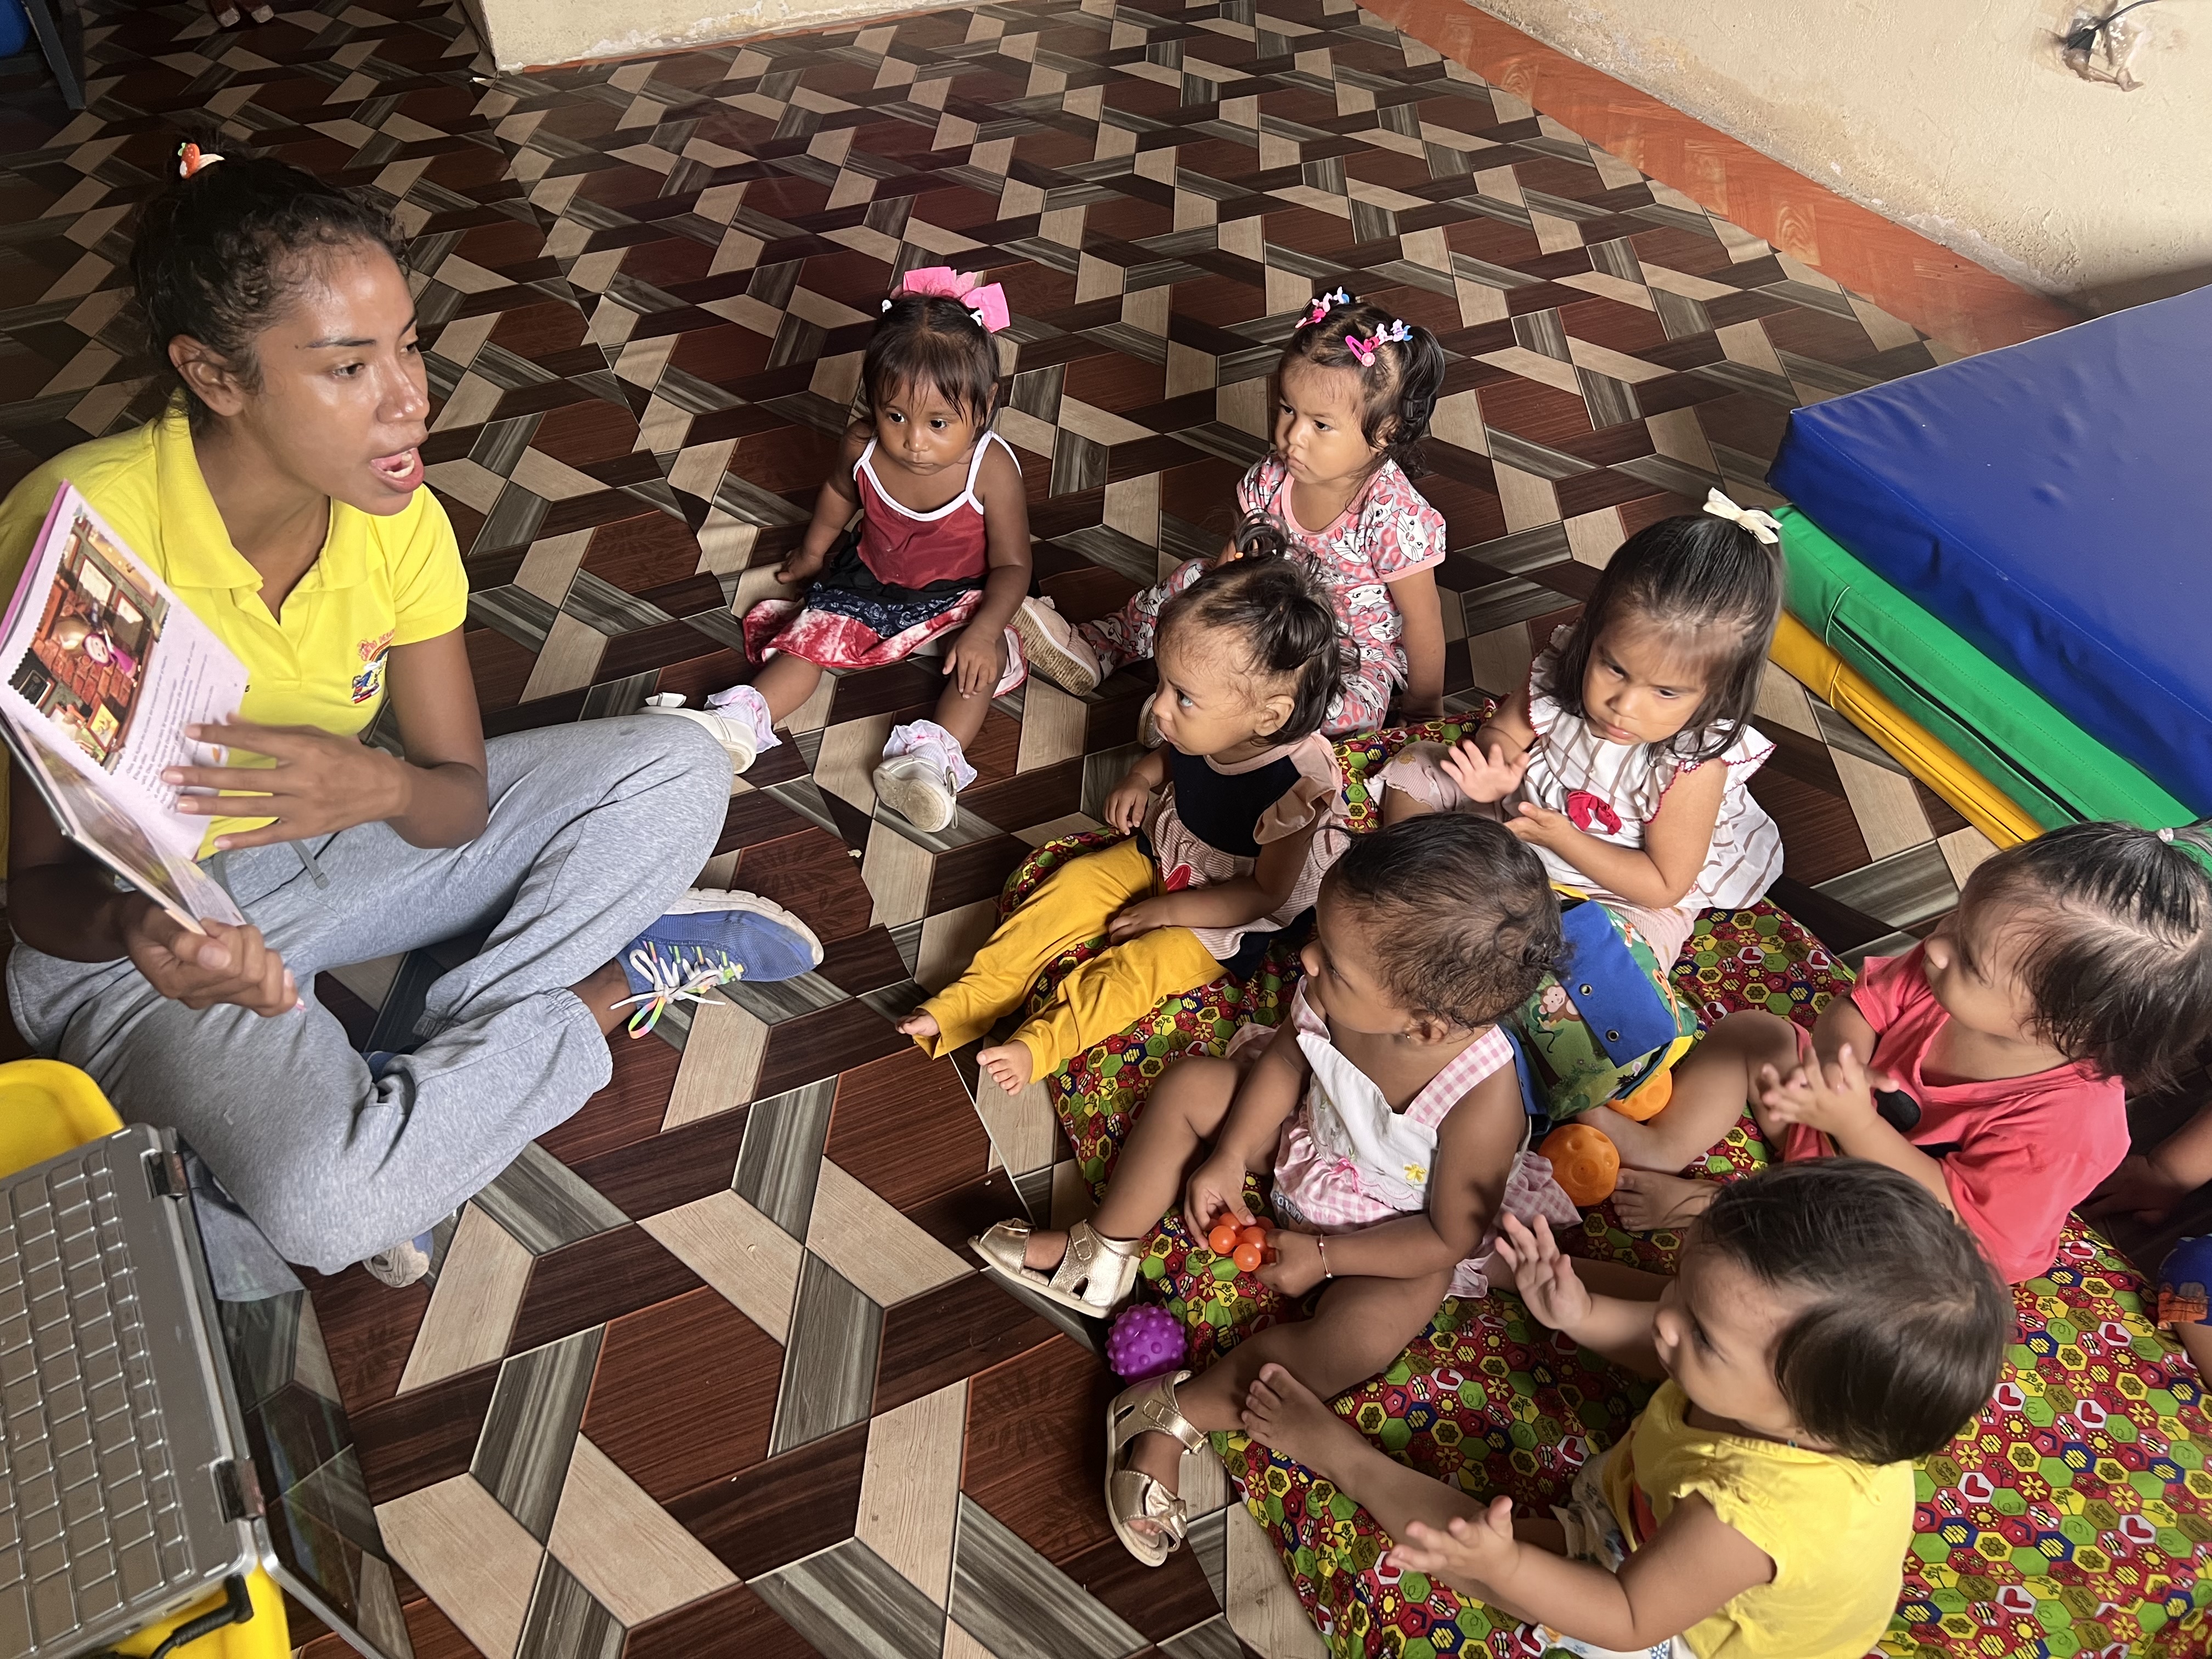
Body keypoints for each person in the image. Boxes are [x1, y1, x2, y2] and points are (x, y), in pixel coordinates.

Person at [3, 141, 820, 1295]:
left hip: (331, 848)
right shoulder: (88, 526)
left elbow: (455, 801)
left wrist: (378, 785)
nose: (409, 399)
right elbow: (38, 898)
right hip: (145, 942)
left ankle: (420, 1092)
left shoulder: (400, 521)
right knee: (321, 1210)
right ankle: (597, 997)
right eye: (348, 366)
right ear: (215, 375)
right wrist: (142, 926)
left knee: (680, 766)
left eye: (410, 346)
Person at [972, 815, 1570, 1568]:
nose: (1308, 958)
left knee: (1359, 1341)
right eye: (1321, 938)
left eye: (1335, 965)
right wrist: (1228, 1156)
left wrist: (1325, 1258)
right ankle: (1102, 1252)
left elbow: (1449, 1237)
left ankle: (1171, 1414)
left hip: (1394, 1231)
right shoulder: (1338, 991)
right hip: (1310, 1136)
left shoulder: (1481, 1100)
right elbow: (1290, 1059)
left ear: (1424, 1028)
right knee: (1194, 1085)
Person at [1243, 1160, 2012, 1659]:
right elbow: (1665, 1339)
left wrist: (1509, 1566)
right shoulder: (1786, 1391)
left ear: (1807, 1422)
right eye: (1679, 1283)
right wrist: (1577, 1312)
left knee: (1478, 1553)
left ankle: (1339, 1454)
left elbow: (1626, 1616)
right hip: (1655, 1498)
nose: (1665, 1319)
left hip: (1675, 1622)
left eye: (1702, 1335)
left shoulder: (1749, 1519)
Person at [1594, 823, 2212, 1282]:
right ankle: (1664, 1145)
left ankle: (1715, 1207)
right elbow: (1858, 1009)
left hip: (1909, 1223)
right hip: (1825, 1131)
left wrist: (1856, 1125)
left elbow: (1961, 1227)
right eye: (1958, 916)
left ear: (2070, 1032)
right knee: (1757, 1033)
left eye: (1971, 961)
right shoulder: (1947, 968)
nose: (1936, 946)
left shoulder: (2068, 1129)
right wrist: (1838, 1067)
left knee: (1850, 1279)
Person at [896, 534, 1350, 1094]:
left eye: (1183, 697)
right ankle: (969, 1001)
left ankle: (1042, 1044)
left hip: (1232, 910)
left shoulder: (1296, 786)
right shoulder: (1210, 724)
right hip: (1170, 849)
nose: (1159, 707)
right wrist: (1142, 777)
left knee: (1141, 967)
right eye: (1163, 683)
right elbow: (1179, 755)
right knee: (1073, 887)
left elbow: (1264, 895)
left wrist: (1168, 911)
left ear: (1269, 716)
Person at [648, 267, 1031, 833]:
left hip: (958, 598)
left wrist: (984, 629)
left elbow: (1014, 564)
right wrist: (812, 553)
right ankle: (740, 720)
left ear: (987, 402)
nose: (914, 440)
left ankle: (930, 761)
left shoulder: (990, 468)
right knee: (806, 643)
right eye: (895, 415)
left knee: (983, 661)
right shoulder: (862, 444)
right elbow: (837, 493)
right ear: (872, 399)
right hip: (867, 580)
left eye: (938, 422)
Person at [1012, 289, 1449, 736]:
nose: (1292, 435)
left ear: (1385, 432)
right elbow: (1236, 561)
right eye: (1287, 409)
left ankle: (1210, 718)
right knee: (1194, 577)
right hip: (1266, 618)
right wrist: (1211, 614)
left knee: (1348, 710)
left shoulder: (1395, 517)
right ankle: (1104, 647)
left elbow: (1423, 621)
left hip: (1348, 655)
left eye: (1321, 425)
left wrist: (1422, 707)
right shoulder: (1272, 477)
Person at [1380, 492, 1785, 973]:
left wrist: (1561, 837)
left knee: (1624, 963)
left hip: (1618, 893)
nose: (1624, 707)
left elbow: (1662, 885)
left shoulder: (1692, 764)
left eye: (1666, 693)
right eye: (1614, 668)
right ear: (1594, 634)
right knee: (1417, 763)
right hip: (1519, 826)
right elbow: (1504, 733)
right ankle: (1409, 886)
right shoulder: (1563, 668)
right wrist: (1494, 768)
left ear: (1719, 692)